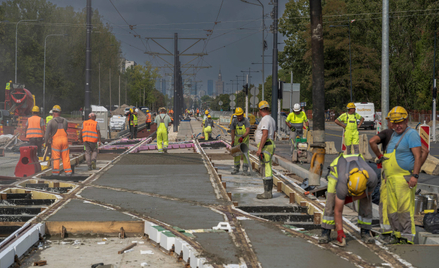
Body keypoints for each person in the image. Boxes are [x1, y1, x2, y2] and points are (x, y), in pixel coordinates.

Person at [382, 106, 426, 244]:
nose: (397, 126)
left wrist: (415, 175)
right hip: (391, 179)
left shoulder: (411, 134)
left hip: (404, 179)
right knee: (393, 209)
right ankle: (397, 235)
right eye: (395, 123)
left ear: (406, 120)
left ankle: (407, 237)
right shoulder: (394, 134)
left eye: (400, 122)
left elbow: (419, 156)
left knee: (404, 209)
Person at [319, 153, 378, 246]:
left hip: (357, 161)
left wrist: (350, 199)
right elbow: (338, 211)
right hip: (337, 169)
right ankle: (326, 231)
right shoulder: (343, 182)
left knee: (367, 199)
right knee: (331, 201)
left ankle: (365, 230)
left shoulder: (372, 177)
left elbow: (369, 192)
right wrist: (340, 232)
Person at [255, 101, 276, 199]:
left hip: (265, 146)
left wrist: (260, 149)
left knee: (266, 168)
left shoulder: (265, 119)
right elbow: (273, 135)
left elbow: (265, 134)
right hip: (269, 144)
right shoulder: (271, 119)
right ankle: (267, 192)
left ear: (260, 110)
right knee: (267, 167)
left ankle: (267, 193)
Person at [44, 105, 72, 176]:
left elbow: (47, 134)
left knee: (56, 158)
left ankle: (55, 173)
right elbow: (65, 130)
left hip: (56, 142)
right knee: (65, 157)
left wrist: (46, 142)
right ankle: (68, 172)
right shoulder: (65, 121)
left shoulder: (51, 122)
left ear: (53, 112)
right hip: (65, 141)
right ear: (60, 112)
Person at [230, 107, 250, 175]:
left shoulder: (246, 121)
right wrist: (232, 141)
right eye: (237, 116)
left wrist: (242, 137)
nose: (239, 117)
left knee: (245, 155)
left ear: (242, 114)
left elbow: (247, 131)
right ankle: (236, 168)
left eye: (240, 116)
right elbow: (232, 131)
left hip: (244, 140)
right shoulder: (234, 121)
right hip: (237, 140)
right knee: (236, 154)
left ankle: (245, 170)